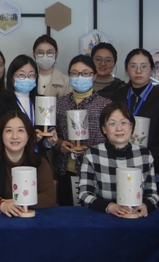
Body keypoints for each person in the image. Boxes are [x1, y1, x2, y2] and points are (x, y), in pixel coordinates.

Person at [111, 48, 159, 204]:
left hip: (156, 174)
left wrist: (148, 157)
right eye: (133, 66)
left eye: (144, 66)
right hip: (121, 170)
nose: (138, 71)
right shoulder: (117, 97)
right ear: (126, 69)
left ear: (151, 68)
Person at [79, 102, 159, 217]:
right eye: (112, 123)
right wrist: (110, 207)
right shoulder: (92, 154)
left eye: (124, 123)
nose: (119, 128)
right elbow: (84, 195)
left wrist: (145, 205)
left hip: (137, 216)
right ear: (104, 129)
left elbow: (153, 194)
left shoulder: (145, 154)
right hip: (103, 216)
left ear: (132, 127)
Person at [0, 111, 57, 216]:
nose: (15, 136)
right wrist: (1, 205)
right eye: (9, 130)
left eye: (21, 130)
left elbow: (49, 197)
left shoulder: (39, 162)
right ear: (1, 135)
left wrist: (16, 202)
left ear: (28, 135)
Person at [54, 55, 112, 205]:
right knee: (67, 212)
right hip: (65, 170)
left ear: (94, 76)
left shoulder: (106, 105)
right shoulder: (60, 104)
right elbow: (52, 135)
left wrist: (92, 149)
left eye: (85, 73)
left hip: (95, 171)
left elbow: (112, 140)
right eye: (75, 73)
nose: (80, 77)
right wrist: (59, 143)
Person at [0, 54, 55, 151]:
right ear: (11, 77)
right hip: (10, 156)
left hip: (37, 157)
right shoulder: (0, 102)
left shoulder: (43, 101)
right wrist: (29, 140)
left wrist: (48, 143)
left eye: (31, 75)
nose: (27, 79)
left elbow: (47, 132)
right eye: (21, 75)